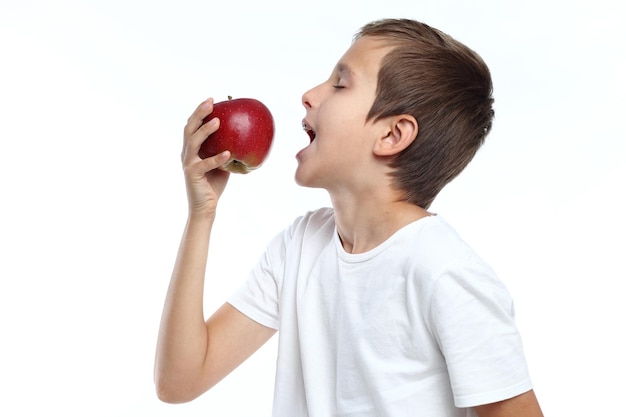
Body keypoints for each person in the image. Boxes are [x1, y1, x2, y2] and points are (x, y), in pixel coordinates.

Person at [154, 18, 544, 417]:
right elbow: (179, 381)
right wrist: (201, 215)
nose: (308, 95)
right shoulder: (300, 247)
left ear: (392, 135)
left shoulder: (445, 272)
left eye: (340, 84)